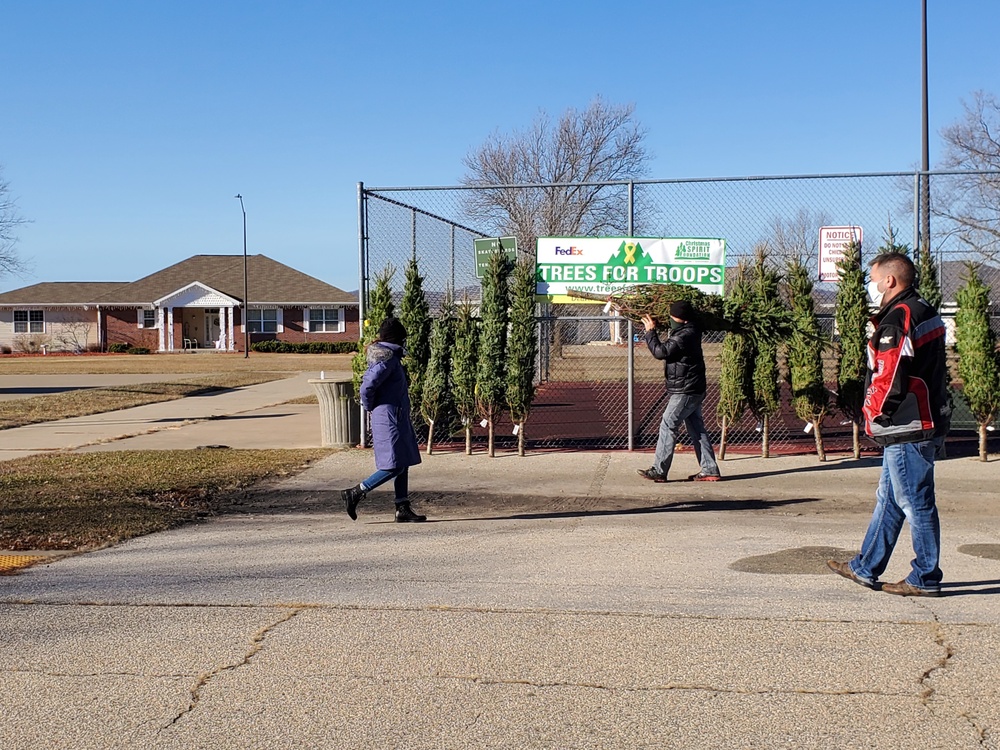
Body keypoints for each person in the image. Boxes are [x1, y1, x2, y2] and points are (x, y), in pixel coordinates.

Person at [828, 252, 951, 597]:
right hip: (919, 418)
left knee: (915, 500)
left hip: (905, 424)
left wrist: (873, 414)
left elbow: (889, 375)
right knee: (890, 498)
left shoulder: (899, 317)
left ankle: (925, 577)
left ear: (890, 281)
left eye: (874, 278)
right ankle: (866, 567)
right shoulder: (921, 310)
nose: (871, 284)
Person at [340, 317, 426, 523]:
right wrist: (370, 406)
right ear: (397, 338)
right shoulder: (386, 359)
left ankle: (402, 508)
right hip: (388, 418)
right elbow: (367, 386)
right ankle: (356, 492)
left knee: (402, 461)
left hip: (395, 415)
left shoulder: (390, 357)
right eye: (403, 338)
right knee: (394, 465)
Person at [637, 300, 721, 483]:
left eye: (673, 317)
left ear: (682, 319)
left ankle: (659, 470)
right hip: (692, 387)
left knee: (668, 424)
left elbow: (661, 352)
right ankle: (710, 469)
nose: (671, 320)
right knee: (697, 429)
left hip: (686, 390)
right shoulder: (690, 329)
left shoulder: (685, 335)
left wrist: (650, 332)